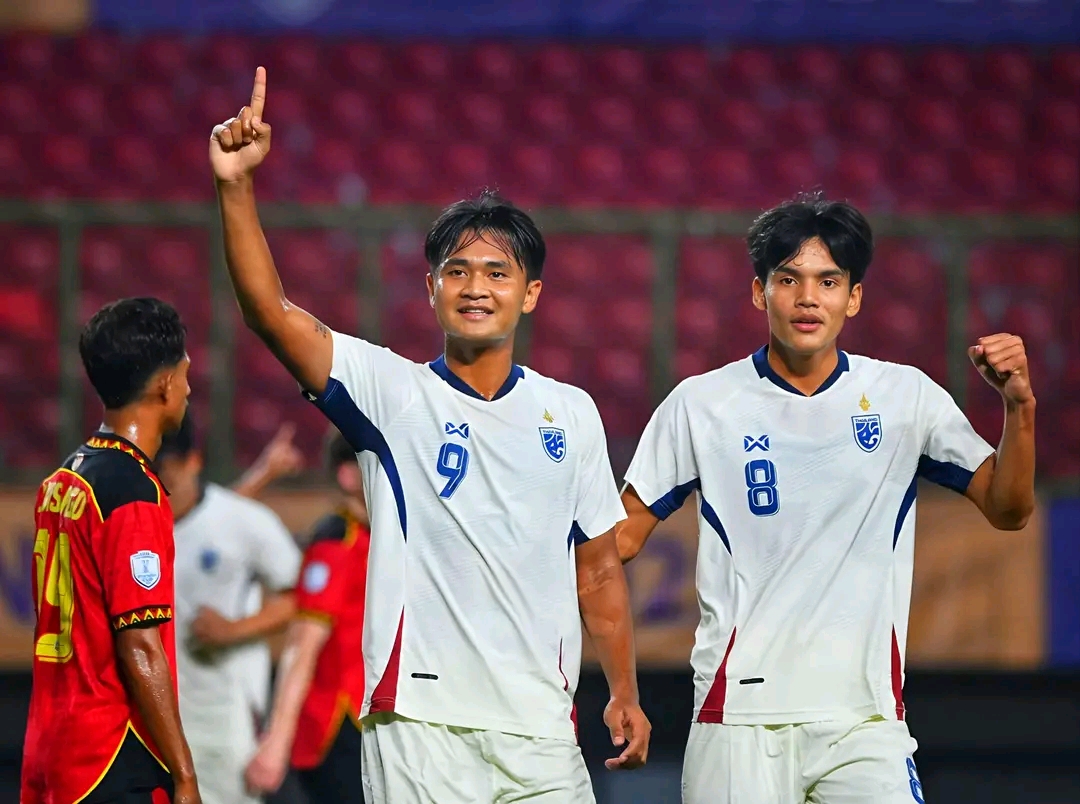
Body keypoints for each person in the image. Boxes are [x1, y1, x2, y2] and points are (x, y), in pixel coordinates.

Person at [209, 67, 650, 804]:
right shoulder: (392, 394)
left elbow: (599, 570)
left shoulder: (571, 413)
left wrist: (624, 692)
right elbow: (270, 314)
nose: (476, 287)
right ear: (431, 288)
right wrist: (235, 186)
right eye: (457, 271)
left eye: (497, 273)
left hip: (543, 729)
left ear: (531, 294)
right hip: (420, 724)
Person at [616, 194, 1037, 804]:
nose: (808, 298)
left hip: (865, 722)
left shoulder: (905, 397)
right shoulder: (701, 404)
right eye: (788, 280)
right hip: (737, 717)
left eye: (828, 281)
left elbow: (1009, 510)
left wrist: (1019, 408)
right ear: (759, 292)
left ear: (854, 297)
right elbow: (618, 539)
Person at [21, 298, 201, 804]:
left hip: (51, 745)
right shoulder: (133, 491)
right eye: (186, 374)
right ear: (164, 384)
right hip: (111, 755)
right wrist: (185, 774)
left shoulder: (61, 480)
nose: (189, 389)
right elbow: (139, 644)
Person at [155, 414, 303, 804]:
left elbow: (301, 598)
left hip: (223, 718)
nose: (160, 481)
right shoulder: (138, 522)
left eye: (167, 469)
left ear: (193, 462)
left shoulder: (245, 522)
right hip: (152, 719)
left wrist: (232, 630)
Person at [245, 428, 370, 804]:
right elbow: (302, 644)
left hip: (373, 718)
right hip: (339, 726)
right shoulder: (336, 541)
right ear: (349, 475)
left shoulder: (382, 537)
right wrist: (276, 742)